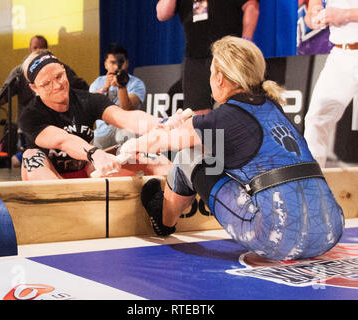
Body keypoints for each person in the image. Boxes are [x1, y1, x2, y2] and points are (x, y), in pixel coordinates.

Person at [120, 36, 344, 261]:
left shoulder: (223, 118)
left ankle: (163, 220)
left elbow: (161, 143)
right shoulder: (273, 106)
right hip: (330, 230)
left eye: (210, 73)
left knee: (188, 157)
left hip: (278, 238)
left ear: (219, 78)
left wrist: (130, 146)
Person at [18, 50, 187, 180]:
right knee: (31, 156)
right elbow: (64, 140)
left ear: (63, 69)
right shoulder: (30, 115)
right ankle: (57, 208)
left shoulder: (89, 100)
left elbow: (125, 118)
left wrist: (164, 122)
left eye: (59, 76)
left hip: (90, 172)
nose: (56, 86)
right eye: (46, 84)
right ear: (34, 88)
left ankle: (171, 209)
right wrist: (95, 153)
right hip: (52, 178)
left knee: (150, 158)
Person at [0, 35, 89, 168]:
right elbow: (1, 97)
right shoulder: (20, 73)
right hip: (30, 125)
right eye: (35, 48)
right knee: (35, 160)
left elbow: (82, 89)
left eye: (41, 48)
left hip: (58, 125)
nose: (38, 51)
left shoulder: (59, 69)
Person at [156, 0, 260, 115]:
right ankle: (205, 133)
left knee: (236, 108)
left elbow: (251, 6)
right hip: (195, 56)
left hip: (229, 55)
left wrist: (246, 42)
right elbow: (162, 14)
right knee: (197, 111)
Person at [303, 0, 358, 167]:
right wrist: (314, 16)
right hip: (342, 53)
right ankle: (312, 185)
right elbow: (313, 7)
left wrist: (344, 14)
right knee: (317, 118)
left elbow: (343, 12)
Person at [89, 43, 146, 149]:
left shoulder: (136, 83)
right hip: (102, 134)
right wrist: (105, 88)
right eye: (112, 63)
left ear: (126, 63)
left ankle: (128, 163)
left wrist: (121, 86)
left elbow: (127, 109)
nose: (116, 67)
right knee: (90, 151)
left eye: (120, 62)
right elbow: (90, 106)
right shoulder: (98, 83)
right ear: (106, 64)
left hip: (124, 128)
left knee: (127, 134)